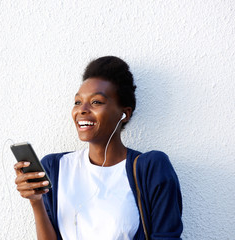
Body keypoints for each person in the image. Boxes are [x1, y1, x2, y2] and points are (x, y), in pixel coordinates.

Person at [14, 56, 183, 240]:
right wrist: (36, 202)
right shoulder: (56, 167)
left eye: (96, 102)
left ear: (124, 114)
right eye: (78, 102)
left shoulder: (151, 168)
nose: (82, 110)